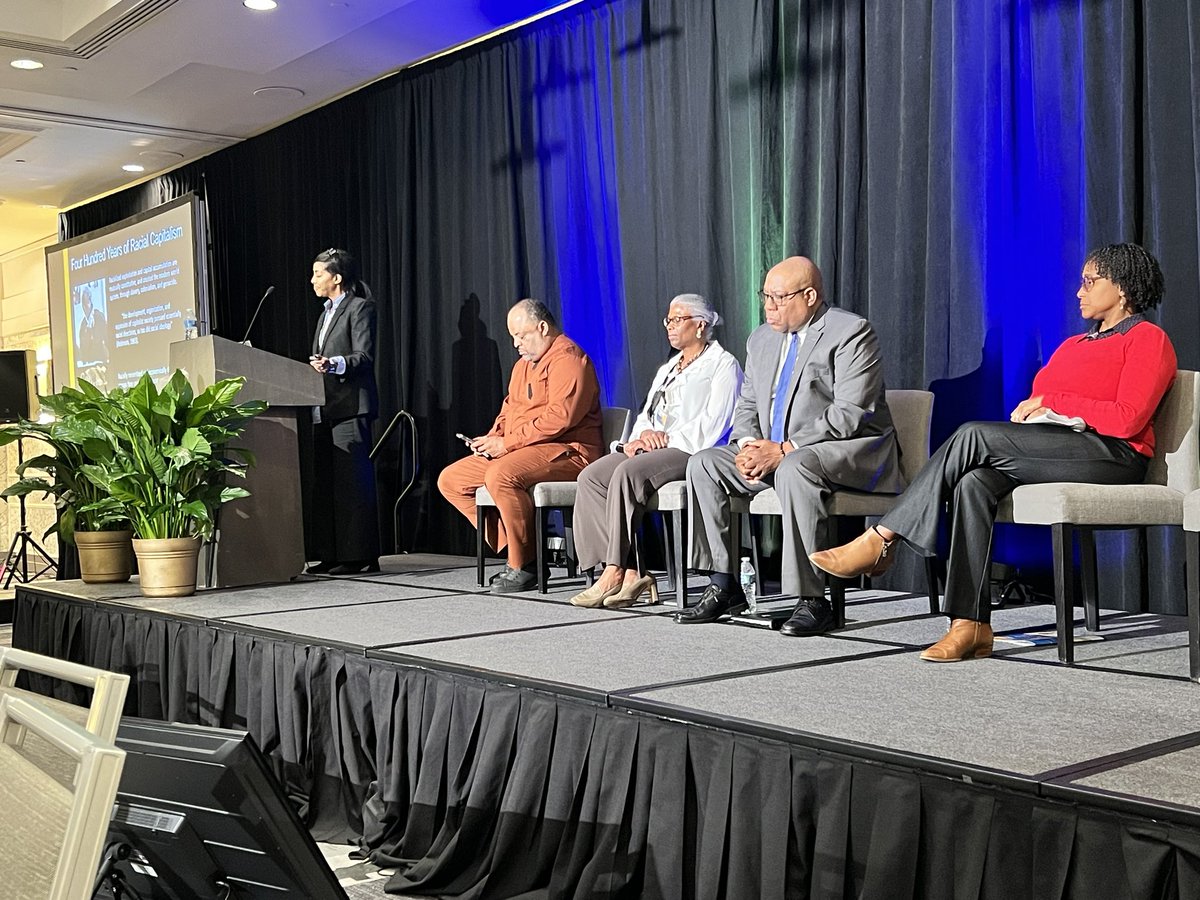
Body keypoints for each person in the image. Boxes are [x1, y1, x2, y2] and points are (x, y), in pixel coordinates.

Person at [811, 243, 1177, 662]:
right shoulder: (1075, 344)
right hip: (1061, 444)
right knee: (973, 481)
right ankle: (969, 625)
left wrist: (1056, 403)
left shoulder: (1148, 339)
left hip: (1115, 456)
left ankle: (882, 537)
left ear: (1123, 288)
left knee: (973, 435)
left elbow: (1128, 419)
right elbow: (1044, 395)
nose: (1079, 291)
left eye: (1090, 282)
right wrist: (1042, 406)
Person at [678, 256, 904, 635]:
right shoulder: (762, 339)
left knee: (796, 465)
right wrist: (750, 445)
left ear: (810, 295)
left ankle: (813, 600)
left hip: (847, 450)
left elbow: (850, 412)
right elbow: (747, 404)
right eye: (765, 296)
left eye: (779, 298)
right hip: (776, 449)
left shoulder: (850, 332)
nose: (768, 306)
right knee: (703, 463)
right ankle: (723, 582)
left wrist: (785, 448)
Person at [568, 294, 743, 609]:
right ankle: (633, 572)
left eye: (678, 320)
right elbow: (647, 413)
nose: (670, 327)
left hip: (691, 450)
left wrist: (665, 438)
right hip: (654, 447)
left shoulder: (723, 365)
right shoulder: (669, 368)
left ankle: (614, 571)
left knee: (625, 474)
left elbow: (716, 423)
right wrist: (638, 438)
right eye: (668, 320)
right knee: (592, 476)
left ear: (700, 325)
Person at [437, 299, 604, 593]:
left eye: (522, 336)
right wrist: (491, 438)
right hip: (523, 450)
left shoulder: (568, 358)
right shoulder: (522, 367)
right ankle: (518, 548)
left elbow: (560, 418)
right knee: (451, 480)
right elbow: (509, 410)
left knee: (501, 474)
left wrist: (507, 444)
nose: (516, 344)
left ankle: (524, 564)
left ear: (542, 327)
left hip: (569, 451)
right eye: (513, 337)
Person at [303, 248, 381, 575]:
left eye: (318, 274)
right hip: (325, 407)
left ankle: (359, 555)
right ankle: (333, 553)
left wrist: (332, 364)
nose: (312, 280)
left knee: (352, 484)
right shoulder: (324, 314)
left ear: (336, 278)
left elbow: (364, 356)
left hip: (351, 407)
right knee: (328, 485)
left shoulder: (360, 308)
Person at [76, 287, 108, 365]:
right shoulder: (83, 324)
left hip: (100, 361)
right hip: (88, 364)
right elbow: (82, 346)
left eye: (86, 303)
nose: (85, 307)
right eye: (83, 304)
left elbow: (105, 338)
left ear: (90, 301)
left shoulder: (99, 316)